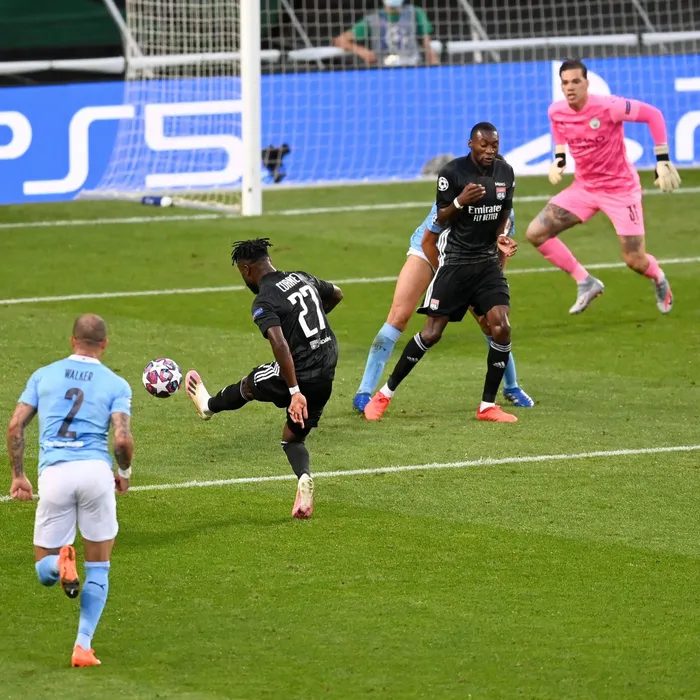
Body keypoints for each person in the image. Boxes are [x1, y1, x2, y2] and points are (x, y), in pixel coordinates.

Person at [364, 123, 520, 423]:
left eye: (494, 145)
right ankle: (383, 394)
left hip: (487, 264)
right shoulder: (452, 173)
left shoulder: (506, 173)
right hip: (456, 263)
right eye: (484, 145)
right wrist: (461, 201)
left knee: (501, 326)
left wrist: (501, 237)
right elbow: (438, 220)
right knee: (431, 333)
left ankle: (488, 405)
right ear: (471, 144)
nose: (490, 151)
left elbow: (504, 213)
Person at [7, 314, 133, 668]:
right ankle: (83, 646)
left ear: (72, 340)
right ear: (104, 344)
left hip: (55, 475)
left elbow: (15, 426)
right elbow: (122, 439)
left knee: (43, 570)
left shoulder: (43, 375)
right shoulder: (116, 384)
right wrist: (123, 472)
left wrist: (18, 476)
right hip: (95, 473)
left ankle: (59, 562)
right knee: (99, 567)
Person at [185, 238, 343, 519]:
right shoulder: (301, 277)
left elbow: (279, 344)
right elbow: (337, 294)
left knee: (250, 384)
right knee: (292, 439)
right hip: (326, 367)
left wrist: (294, 391)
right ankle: (303, 479)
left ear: (246, 269)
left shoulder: (265, 300)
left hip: (300, 371)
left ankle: (208, 406)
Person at [352, 191, 534, 414]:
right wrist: (450, 284)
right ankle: (364, 392)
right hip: (429, 252)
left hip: (472, 263)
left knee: (491, 321)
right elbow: (429, 240)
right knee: (398, 317)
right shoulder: (457, 197)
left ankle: (511, 386)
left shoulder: (504, 207)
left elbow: (499, 250)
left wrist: (492, 285)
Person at [525, 58, 681, 315]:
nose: (570, 87)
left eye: (576, 81)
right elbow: (558, 126)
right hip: (584, 188)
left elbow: (653, 115)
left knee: (634, 260)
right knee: (535, 233)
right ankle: (586, 282)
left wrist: (662, 158)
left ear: (587, 83)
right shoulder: (556, 110)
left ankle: (659, 277)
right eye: (565, 83)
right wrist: (559, 157)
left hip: (621, 191)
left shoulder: (610, 107)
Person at [333, 0, 439, 67]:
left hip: (412, 66)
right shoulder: (372, 19)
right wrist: (362, 51)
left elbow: (427, 45)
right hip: (383, 69)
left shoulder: (415, 13)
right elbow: (340, 41)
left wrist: (434, 68)